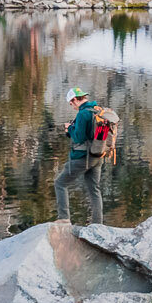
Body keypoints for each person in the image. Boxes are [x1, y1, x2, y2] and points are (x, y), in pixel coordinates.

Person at [55, 86, 103, 224]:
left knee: (60, 183)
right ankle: (97, 223)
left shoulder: (82, 114)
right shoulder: (97, 110)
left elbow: (79, 138)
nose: (72, 107)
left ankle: (63, 219)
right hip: (97, 155)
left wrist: (69, 128)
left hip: (83, 157)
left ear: (75, 100)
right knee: (94, 189)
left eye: (71, 104)